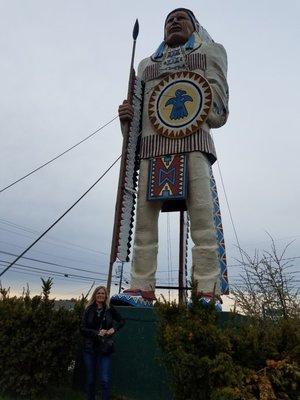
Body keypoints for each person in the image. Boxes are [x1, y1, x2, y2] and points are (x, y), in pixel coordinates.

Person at [118, 8, 229, 305]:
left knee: (202, 216)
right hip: (153, 147)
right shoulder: (146, 66)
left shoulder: (211, 52)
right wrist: (126, 118)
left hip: (193, 140)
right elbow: (139, 116)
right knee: (144, 221)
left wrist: (201, 107)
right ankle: (141, 286)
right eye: (169, 20)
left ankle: (208, 289)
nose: (174, 22)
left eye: (182, 18)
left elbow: (217, 105)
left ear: (194, 26)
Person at [81, 286, 125, 400]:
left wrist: (114, 329)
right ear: (95, 295)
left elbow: (122, 321)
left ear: (106, 296)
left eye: (103, 293)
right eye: (98, 293)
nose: (100, 295)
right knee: (90, 380)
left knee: (104, 380)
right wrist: (97, 333)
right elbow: (82, 329)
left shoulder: (110, 309)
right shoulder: (88, 309)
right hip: (89, 349)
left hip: (105, 349)